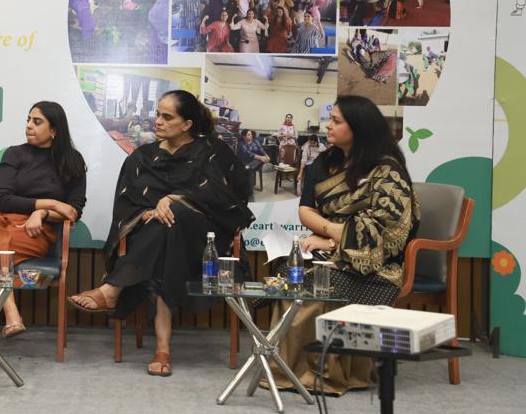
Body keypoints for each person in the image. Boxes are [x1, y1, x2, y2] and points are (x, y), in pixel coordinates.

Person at [68, 90, 253, 377]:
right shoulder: (142, 157)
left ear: (187, 124)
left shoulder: (213, 152)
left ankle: (112, 289)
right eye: (158, 114)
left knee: (173, 217)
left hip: (204, 242)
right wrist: (147, 213)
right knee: (166, 231)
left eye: (167, 117)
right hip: (157, 238)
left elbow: (232, 197)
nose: (158, 121)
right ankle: (161, 350)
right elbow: (127, 203)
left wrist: (175, 199)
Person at [268, 95, 419, 394]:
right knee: (290, 274)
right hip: (332, 250)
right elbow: (306, 209)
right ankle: (287, 369)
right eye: (330, 119)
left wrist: (331, 238)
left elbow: (388, 231)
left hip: (374, 264)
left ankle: (327, 373)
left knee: (322, 284)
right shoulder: (325, 161)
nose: (328, 125)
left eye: (336, 121)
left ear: (359, 127)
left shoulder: (387, 170)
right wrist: (330, 235)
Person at [0, 102, 86, 347]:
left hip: (33, 230)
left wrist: (42, 214)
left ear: (54, 130)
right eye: (28, 120)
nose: (29, 126)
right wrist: (50, 203)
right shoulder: (14, 154)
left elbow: (73, 211)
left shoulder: (72, 161)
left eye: (37, 121)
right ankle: (11, 311)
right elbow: (4, 200)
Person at [237, 129, 271, 199]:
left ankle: (250, 166)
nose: (251, 136)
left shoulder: (255, 141)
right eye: (248, 135)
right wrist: (261, 158)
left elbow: (261, 149)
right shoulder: (241, 144)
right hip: (245, 162)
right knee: (251, 170)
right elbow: (249, 154)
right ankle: (250, 194)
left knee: (252, 166)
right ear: (244, 136)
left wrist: (266, 156)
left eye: (251, 134)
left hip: (255, 163)